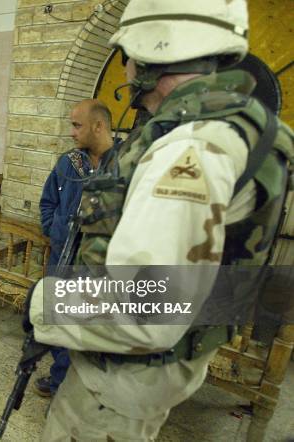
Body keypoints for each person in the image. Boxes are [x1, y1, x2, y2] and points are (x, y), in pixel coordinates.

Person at [25, 0, 293, 440]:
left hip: (120, 385)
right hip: (137, 369)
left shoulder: (193, 148)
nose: (126, 69)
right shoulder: (230, 126)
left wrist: (44, 304)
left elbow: (151, 307)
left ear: (152, 56)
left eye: (128, 56)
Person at [36, 99, 117, 398]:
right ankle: (60, 381)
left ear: (99, 125)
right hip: (62, 257)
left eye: (76, 125)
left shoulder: (124, 167)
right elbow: (48, 202)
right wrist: (54, 229)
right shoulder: (68, 163)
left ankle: (76, 392)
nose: (71, 132)